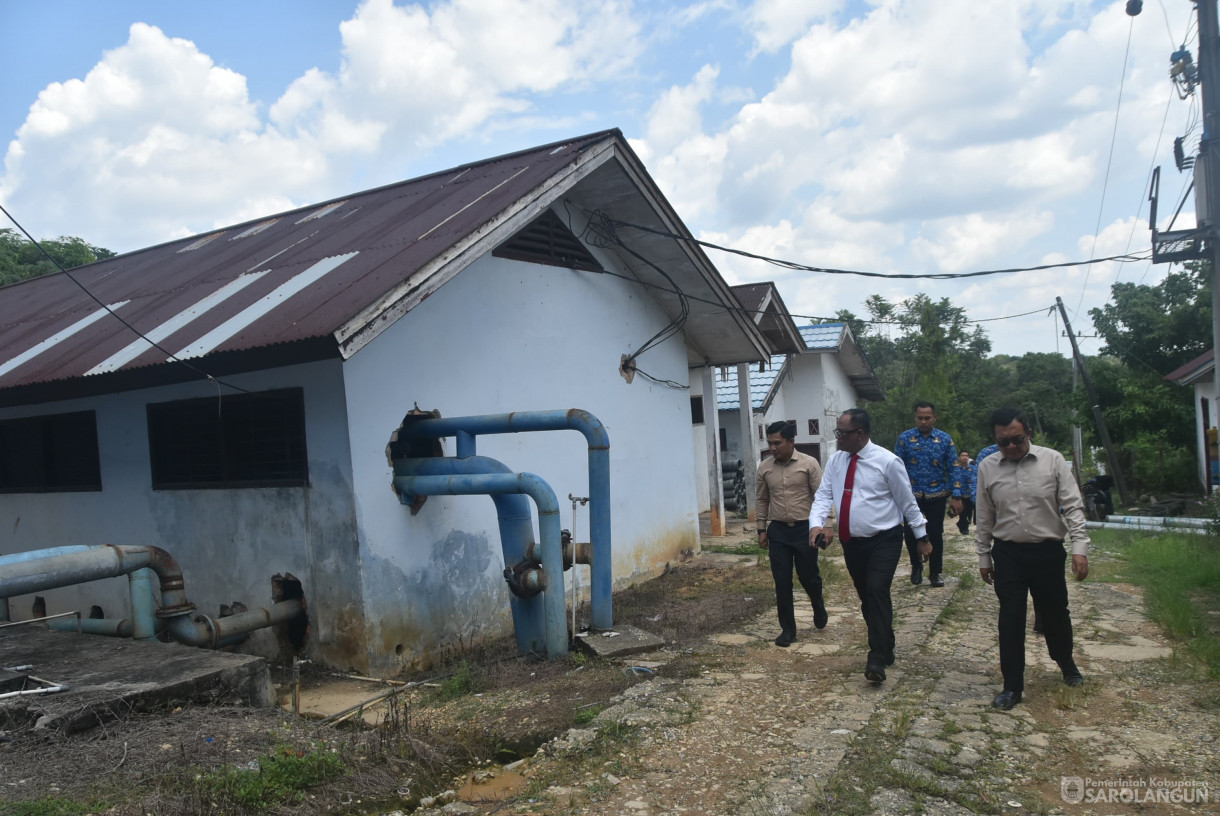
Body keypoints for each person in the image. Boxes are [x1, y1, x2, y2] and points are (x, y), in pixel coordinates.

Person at [975, 408, 1089, 710]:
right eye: (1003, 442)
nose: (1011, 447)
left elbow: (1073, 507)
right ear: (995, 440)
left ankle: (1066, 663)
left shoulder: (1052, 461)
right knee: (1010, 618)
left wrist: (1080, 548)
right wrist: (984, 555)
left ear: (1029, 433)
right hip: (1008, 553)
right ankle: (1012, 686)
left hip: (1047, 551)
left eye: (1017, 440)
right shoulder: (987, 466)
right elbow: (984, 514)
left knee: (1055, 613)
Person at [809, 409, 931, 683]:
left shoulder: (888, 462)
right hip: (853, 543)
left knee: (877, 590)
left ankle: (876, 656)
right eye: (837, 432)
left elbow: (907, 501)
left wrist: (921, 537)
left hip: (884, 540)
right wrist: (816, 524)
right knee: (867, 596)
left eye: (842, 433)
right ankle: (885, 640)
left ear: (860, 434)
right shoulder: (836, 461)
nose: (838, 437)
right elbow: (824, 495)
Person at [756, 420, 828, 647]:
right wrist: (761, 529)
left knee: (809, 576)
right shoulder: (765, 467)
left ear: (791, 442)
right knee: (782, 581)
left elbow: (823, 495)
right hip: (778, 531)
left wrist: (828, 525)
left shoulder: (809, 464)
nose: (773, 448)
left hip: (805, 530)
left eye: (777, 443)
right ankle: (788, 629)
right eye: (770, 443)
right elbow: (762, 499)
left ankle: (817, 603)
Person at [895, 402, 958, 587]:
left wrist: (957, 495)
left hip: (937, 494)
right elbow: (896, 468)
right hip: (911, 495)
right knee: (910, 532)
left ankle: (936, 572)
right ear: (915, 417)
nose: (923, 421)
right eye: (920, 418)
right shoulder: (904, 439)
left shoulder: (945, 440)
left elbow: (953, 467)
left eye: (927, 418)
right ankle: (916, 566)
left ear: (934, 418)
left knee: (936, 533)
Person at [951, 450, 977, 535]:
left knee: (969, 511)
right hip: (960, 494)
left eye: (966, 455)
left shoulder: (973, 468)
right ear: (959, 457)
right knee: (962, 512)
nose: (965, 457)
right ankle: (964, 528)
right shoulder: (956, 469)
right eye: (962, 455)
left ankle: (965, 524)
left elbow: (975, 480)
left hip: (970, 494)